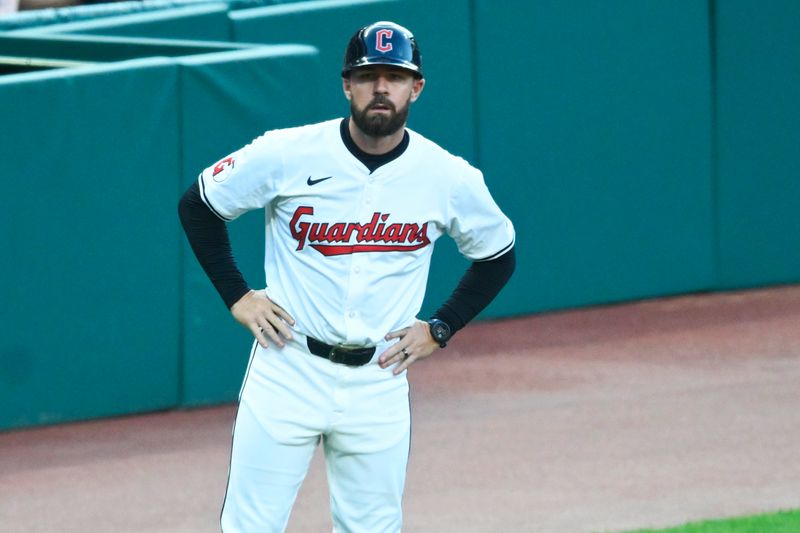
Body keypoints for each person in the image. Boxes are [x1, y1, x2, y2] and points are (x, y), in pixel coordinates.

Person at [178, 20, 515, 533]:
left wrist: (441, 328)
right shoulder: (288, 152)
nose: (381, 88)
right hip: (287, 366)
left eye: (395, 76)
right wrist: (237, 295)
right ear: (346, 85)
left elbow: (498, 254)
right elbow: (199, 205)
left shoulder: (446, 176)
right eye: (368, 75)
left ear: (416, 87)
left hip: (379, 378)